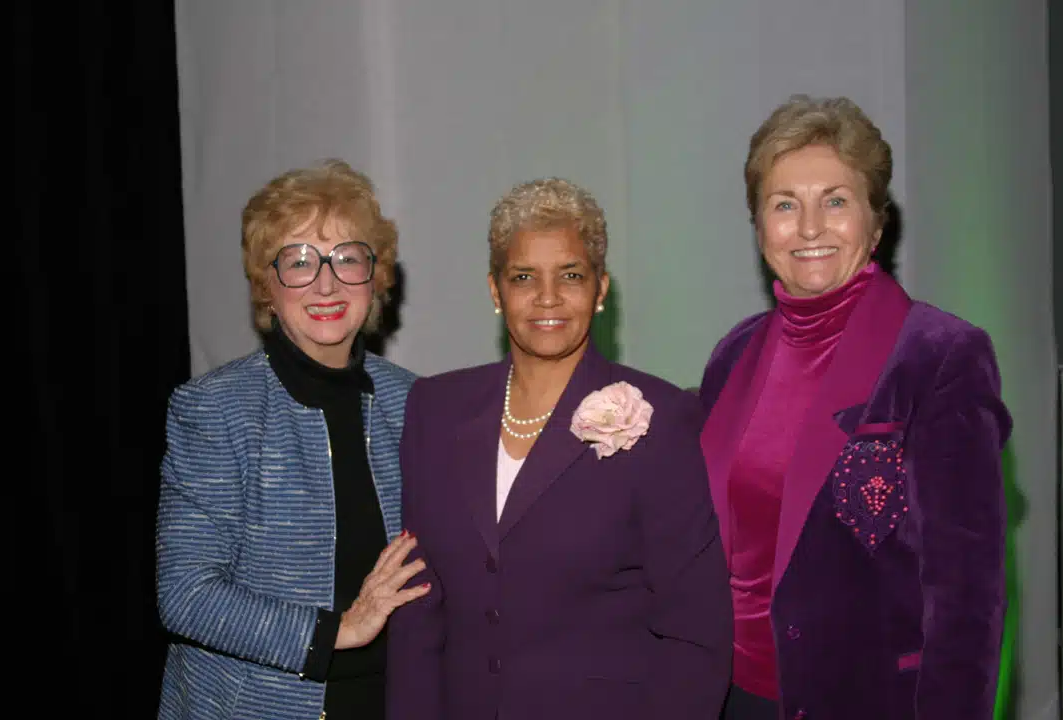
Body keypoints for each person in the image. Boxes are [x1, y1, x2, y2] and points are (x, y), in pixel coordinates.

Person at [698, 96, 1012, 720]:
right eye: (785, 204)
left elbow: (966, 601)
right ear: (761, 227)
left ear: (876, 222)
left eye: (835, 201)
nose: (809, 227)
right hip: (728, 698)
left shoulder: (940, 357)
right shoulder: (733, 356)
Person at [386, 178, 733, 720]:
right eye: (524, 277)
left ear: (600, 291)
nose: (547, 297)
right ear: (495, 291)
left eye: (570, 275)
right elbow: (416, 607)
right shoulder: (434, 408)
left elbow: (695, 630)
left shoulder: (661, 419)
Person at [156, 160, 430, 720]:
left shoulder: (417, 404)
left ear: (375, 278)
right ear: (267, 285)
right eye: (298, 262)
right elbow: (186, 594)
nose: (326, 283)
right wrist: (338, 631)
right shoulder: (215, 409)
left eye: (346, 259)